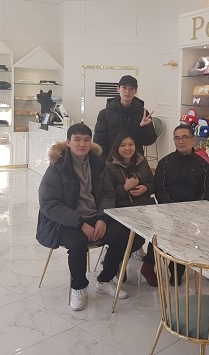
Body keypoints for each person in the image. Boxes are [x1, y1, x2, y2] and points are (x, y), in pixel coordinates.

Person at [36, 123, 141, 311]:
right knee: (77, 244)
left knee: (122, 234)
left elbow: (108, 194)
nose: (82, 144)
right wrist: (80, 223)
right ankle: (79, 287)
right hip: (67, 220)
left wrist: (102, 218)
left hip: (95, 215)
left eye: (86, 140)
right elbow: (49, 203)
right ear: (68, 142)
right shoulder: (57, 167)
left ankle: (105, 280)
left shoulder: (99, 165)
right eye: (77, 140)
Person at [140, 124, 209, 287]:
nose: (181, 141)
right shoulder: (165, 163)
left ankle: (177, 271)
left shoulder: (202, 165)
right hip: (168, 209)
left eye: (185, 137)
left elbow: (206, 192)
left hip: (193, 211)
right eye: (177, 138)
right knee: (163, 230)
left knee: (184, 232)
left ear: (193, 140)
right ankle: (149, 264)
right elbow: (160, 189)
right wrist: (172, 209)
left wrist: (193, 211)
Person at [105, 132, 156, 262]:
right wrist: (125, 188)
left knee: (147, 234)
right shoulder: (109, 166)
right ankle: (116, 261)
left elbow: (153, 184)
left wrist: (145, 188)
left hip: (142, 208)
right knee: (123, 236)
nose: (127, 148)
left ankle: (119, 259)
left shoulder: (142, 162)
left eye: (131, 144)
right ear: (116, 147)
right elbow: (108, 195)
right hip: (120, 210)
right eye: (123, 145)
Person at [93, 75, 157, 158]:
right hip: (112, 161)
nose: (127, 91)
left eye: (131, 88)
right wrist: (105, 162)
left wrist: (144, 127)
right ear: (118, 89)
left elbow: (149, 141)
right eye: (124, 88)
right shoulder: (105, 114)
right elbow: (99, 142)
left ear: (135, 91)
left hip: (136, 160)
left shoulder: (143, 114)